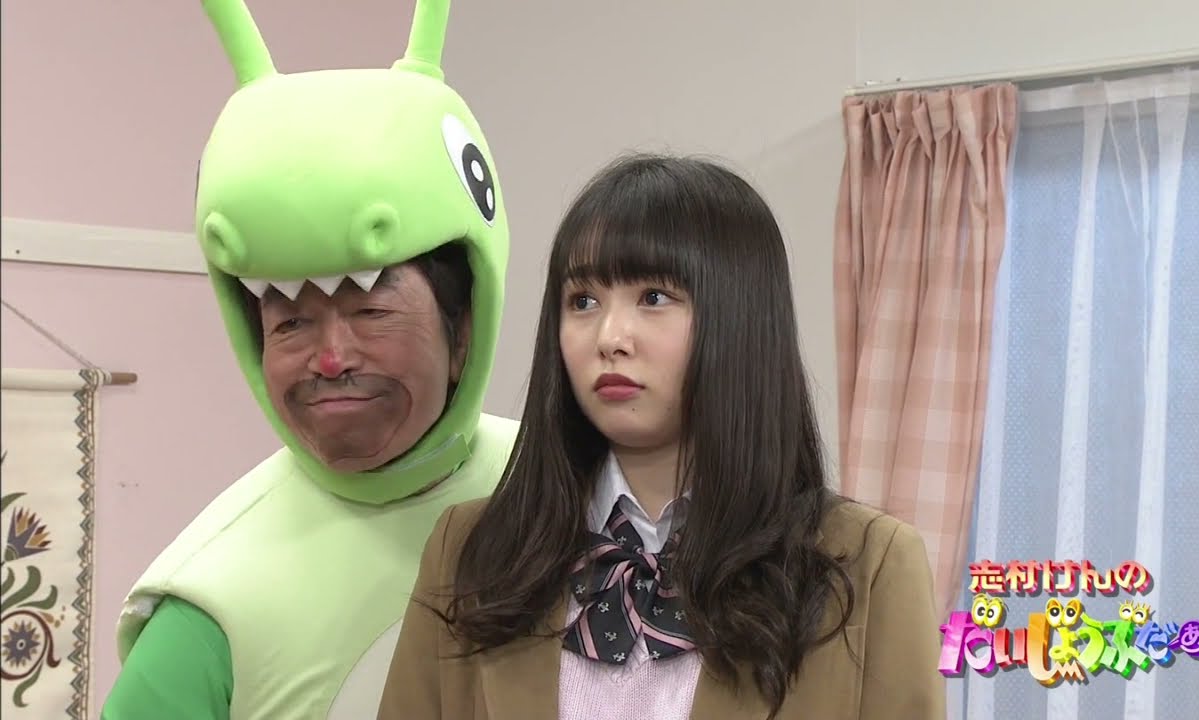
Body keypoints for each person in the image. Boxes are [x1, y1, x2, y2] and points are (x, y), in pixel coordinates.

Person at [376, 154, 945, 720]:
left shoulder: (870, 564)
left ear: (741, 319)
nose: (610, 337)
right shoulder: (470, 551)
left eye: (653, 297)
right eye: (583, 301)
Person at [101, 0, 517, 717]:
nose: (330, 359)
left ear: (464, 330)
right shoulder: (209, 601)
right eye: (290, 322)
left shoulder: (575, 498)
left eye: (371, 311)